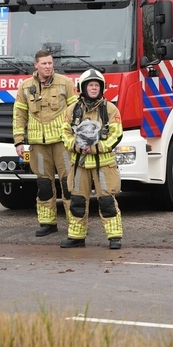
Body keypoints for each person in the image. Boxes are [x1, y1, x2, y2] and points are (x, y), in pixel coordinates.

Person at [12, 49, 78, 236]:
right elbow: (19, 115)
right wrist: (18, 141)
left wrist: (75, 138)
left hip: (62, 143)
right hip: (38, 145)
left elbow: (76, 111)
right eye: (44, 64)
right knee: (43, 184)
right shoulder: (25, 86)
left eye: (50, 63)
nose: (48, 66)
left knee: (68, 183)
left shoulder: (65, 83)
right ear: (36, 65)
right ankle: (48, 223)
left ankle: (76, 223)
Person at [60, 68, 124, 250]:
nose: (94, 88)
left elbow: (116, 134)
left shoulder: (110, 109)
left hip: (103, 165)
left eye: (97, 85)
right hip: (79, 164)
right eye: (91, 85)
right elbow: (64, 133)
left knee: (107, 201)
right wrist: (76, 146)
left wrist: (96, 148)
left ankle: (114, 237)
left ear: (102, 88)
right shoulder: (72, 109)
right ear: (83, 87)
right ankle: (76, 237)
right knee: (77, 201)